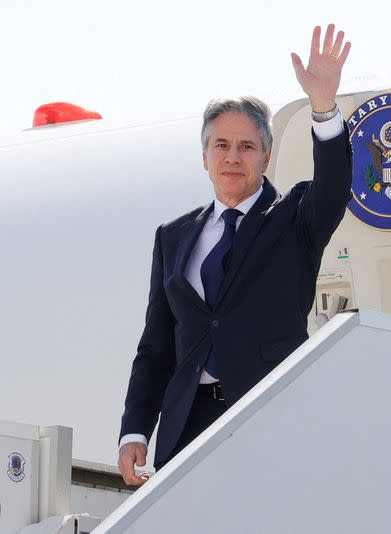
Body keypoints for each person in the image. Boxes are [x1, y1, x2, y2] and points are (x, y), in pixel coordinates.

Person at [117, 24, 353, 485]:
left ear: (266, 158)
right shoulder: (173, 236)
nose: (232, 157)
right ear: (204, 156)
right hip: (188, 425)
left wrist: (323, 107)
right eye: (220, 145)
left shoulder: (296, 218)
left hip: (270, 413)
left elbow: (335, 186)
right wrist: (134, 428)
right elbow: (157, 345)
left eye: (247, 147)